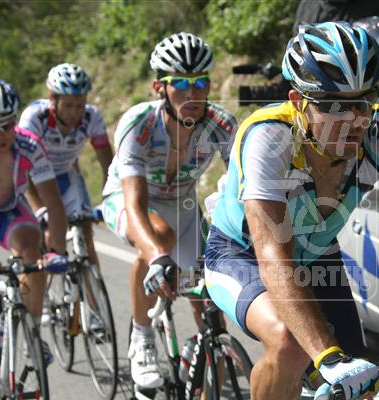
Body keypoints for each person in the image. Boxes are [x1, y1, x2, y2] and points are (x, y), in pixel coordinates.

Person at [203, 22, 379, 400]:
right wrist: (325, 355)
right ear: (298, 101)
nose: (353, 119)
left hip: (316, 252)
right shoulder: (268, 136)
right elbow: (272, 254)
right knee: (291, 345)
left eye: (363, 101)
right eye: (333, 105)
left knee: (362, 381)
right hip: (241, 255)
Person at [100, 32, 236, 389]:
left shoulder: (221, 125)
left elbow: (244, 187)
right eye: (181, 84)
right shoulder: (139, 124)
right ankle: (141, 335)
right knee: (159, 238)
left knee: (211, 310)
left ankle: (206, 372)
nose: (192, 94)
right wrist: (157, 257)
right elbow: (134, 202)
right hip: (129, 198)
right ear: (159, 87)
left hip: (182, 205)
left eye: (200, 82)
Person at [0, 77, 69, 365]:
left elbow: (52, 200)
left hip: (8, 213)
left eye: (7, 124)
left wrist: (58, 251)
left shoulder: (29, 145)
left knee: (34, 253)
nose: (0, 134)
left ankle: (30, 332)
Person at [19, 63, 113, 279]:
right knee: (44, 238)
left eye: (80, 105)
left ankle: (94, 298)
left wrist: (109, 200)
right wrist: (39, 209)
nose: (75, 113)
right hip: (33, 181)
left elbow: (108, 164)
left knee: (85, 233)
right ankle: (41, 293)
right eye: (68, 105)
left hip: (65, 176)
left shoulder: (92, 117)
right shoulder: (34, 118)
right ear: (52, 98)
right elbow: (20, 169)